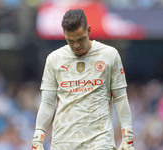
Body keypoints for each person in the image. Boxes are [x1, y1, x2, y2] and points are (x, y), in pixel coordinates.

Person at [31, 9, 135, 150]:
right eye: (70, 41)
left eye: (80, 39)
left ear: (89, 30)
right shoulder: (54, 59)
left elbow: (120, 97)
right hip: (63, 142)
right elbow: (47, 103)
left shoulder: (109, 55)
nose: (76, 46)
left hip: (99, 141)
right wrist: (38, 135)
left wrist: (127, 135)